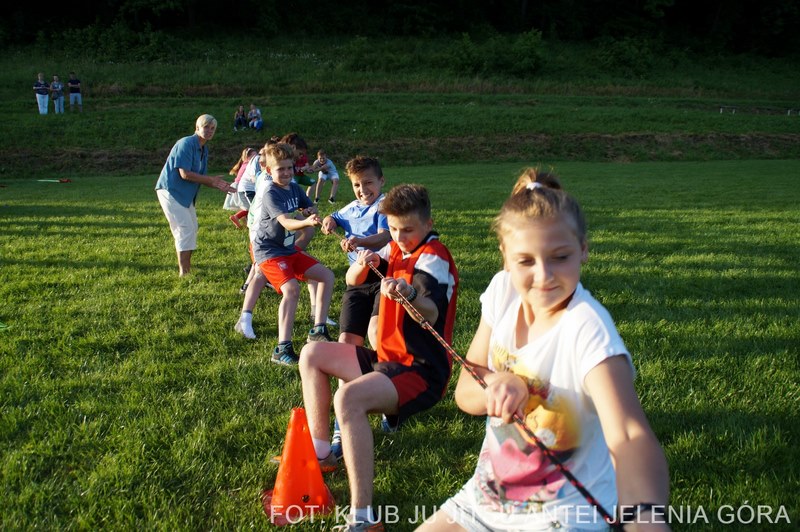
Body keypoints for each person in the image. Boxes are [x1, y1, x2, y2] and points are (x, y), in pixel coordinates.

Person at [416, 169, 670, 532]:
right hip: (484, 501)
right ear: (505, 256)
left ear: (583, 250)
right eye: (526, 261)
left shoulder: (587, 327)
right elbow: (466, 393)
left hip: (563, 515)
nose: (544, 275)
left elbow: (629, 435)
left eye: (560, 257)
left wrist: (645, 518)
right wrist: (500, 384)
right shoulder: (503, 291)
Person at [299, 184, 459, 531]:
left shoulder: (433, 256)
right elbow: (352, 279)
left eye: (408, 229)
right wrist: (367, 261)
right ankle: (322, 455)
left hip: (421, 371)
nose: (400, 237)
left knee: (348, 398)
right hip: (388, 361)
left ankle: (363, 518)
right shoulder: (397, 246)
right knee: (312, 353)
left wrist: (409, 294)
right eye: (394, 229)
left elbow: (431, 312)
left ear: (428, 224)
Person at [234, 142, 335, 366]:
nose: (287, 173)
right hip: (269, 251)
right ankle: (282, 349)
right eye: (281, 169)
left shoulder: (294, 188)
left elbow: (309, 207)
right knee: (292, 289)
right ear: (269, 170)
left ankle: (318, 330)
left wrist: (311, 210)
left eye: (290, 168)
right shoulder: (271, 192)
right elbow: (287, 223)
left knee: (327, 276)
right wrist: (307, 222)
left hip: (288, 249)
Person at [155, 114, 235, 276]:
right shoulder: (186, 143)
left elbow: (200, 177)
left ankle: (187, 269)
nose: (209, 131)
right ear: (197, 128)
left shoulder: (203, 149)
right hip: (171, 190)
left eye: (212, 128)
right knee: (185, 229)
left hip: (185, 194)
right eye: (206, 127)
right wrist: (211, 180)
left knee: (192, 227)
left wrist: (218, 184)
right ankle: (184, 273)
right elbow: (185, 174)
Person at [225, 147, 257, 228]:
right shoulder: (248, 165)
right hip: (240, 187)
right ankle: (237, 217)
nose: (256, 158)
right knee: (249, 207)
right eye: (253, 156)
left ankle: (243, 221)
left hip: (238, 186)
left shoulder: (244, 164)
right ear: (247, 157)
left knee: (245, 206)